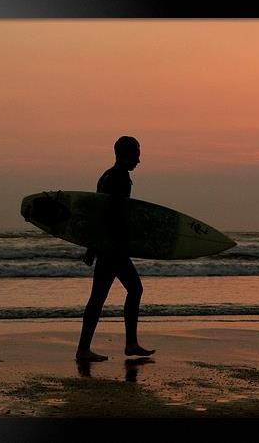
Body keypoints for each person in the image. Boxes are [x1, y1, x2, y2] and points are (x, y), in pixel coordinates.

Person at [76, 136, 155, 362]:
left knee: (99, 297)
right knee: (134, 289)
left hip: (106, 246)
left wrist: (92, 245)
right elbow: (112, 215)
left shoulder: (106, 176)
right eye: (137, 154)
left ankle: (85, 348)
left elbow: (97, 212)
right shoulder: (119, 178)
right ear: (126, 154)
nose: (139, 160)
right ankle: (128, 343)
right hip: (113, 247)